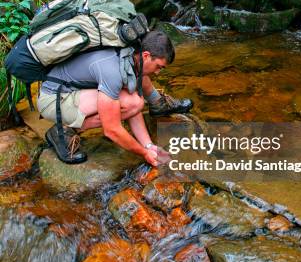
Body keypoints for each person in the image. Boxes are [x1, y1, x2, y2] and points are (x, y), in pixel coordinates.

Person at [37, 31, 193, 167]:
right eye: (159, 66)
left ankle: (158, 105)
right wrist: (143, 153)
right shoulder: (112, 70)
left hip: (72, 89)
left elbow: (134, 108)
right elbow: (111, 130)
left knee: (135, 102)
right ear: (146, 56)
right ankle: (61, 132)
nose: (158, 73)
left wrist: (149, 145)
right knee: (126, 106)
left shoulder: (129, 55)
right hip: (53, 99)